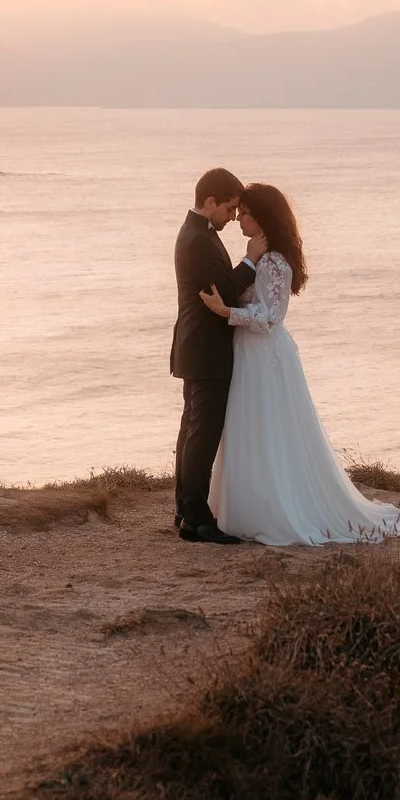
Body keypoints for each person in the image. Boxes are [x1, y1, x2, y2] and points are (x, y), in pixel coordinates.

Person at [200, 181, 400, 548]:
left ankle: (274, 508)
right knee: (248, 428)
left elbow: (271, 315)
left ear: (262, 218)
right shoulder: (258, 253)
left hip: (265, 355)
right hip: (248, 353)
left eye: (244, 214)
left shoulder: (274, 259)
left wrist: (225, 311)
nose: (239, 220)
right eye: (238, 213)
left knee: (270, 430)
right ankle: (243, 508)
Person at [170, 164, 252, 542]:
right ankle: (197, 520)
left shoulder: (196, 232)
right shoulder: (198, 240)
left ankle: (186, 510)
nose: (233, 217)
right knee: (201, 435)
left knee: (192, 432)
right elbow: (225, 293)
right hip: (206, 349)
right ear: (210, 201)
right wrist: (251, 261)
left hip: (195, 347)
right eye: (230, 209)